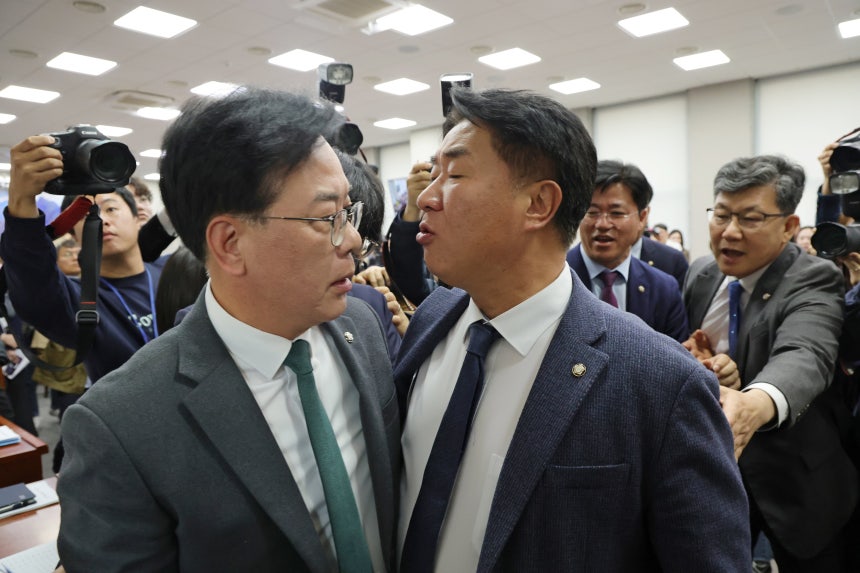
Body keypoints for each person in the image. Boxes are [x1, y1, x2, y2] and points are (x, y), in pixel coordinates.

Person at [396, 87, 749, 572]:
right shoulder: (434, 319)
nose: (426, 198)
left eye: (454, 175)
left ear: (539, 203)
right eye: (432, 174)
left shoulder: (660, 382)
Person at [55, 87, 399, 572]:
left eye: (349, 212)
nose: (355, 241)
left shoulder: (360, 326)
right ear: (230, 243)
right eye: (327, 218)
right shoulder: (120, 425)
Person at [683, 154, 858, 571]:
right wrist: (696, 360)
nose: (730, 231)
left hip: (798, 487)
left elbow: (806, 353)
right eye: (721, 215)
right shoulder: (702, 274)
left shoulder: (814, 276)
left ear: (789, 226)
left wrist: (753, 404)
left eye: (751, 218)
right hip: (715, 480)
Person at [566, 160, 689, 342]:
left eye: (616, 213)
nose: (602, 224)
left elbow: (676, 355)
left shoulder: (663, 290)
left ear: (642, 218)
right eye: (592, 212)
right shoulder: (553, 278)